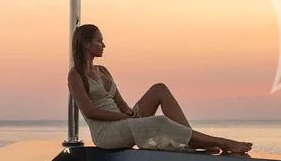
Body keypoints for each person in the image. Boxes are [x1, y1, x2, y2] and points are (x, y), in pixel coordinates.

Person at [67, 24, 253, 154]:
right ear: (86, 43)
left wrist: (130, 113)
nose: (104, 45)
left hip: (122, 121)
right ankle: (223, 142)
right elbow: (90, 112)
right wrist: (124, 117)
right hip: (106, 134)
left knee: (159, 89)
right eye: (99, 41)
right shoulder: (76, 75)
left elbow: (121, 104)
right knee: (160, 122)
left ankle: (189, 141)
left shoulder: (103, 71)